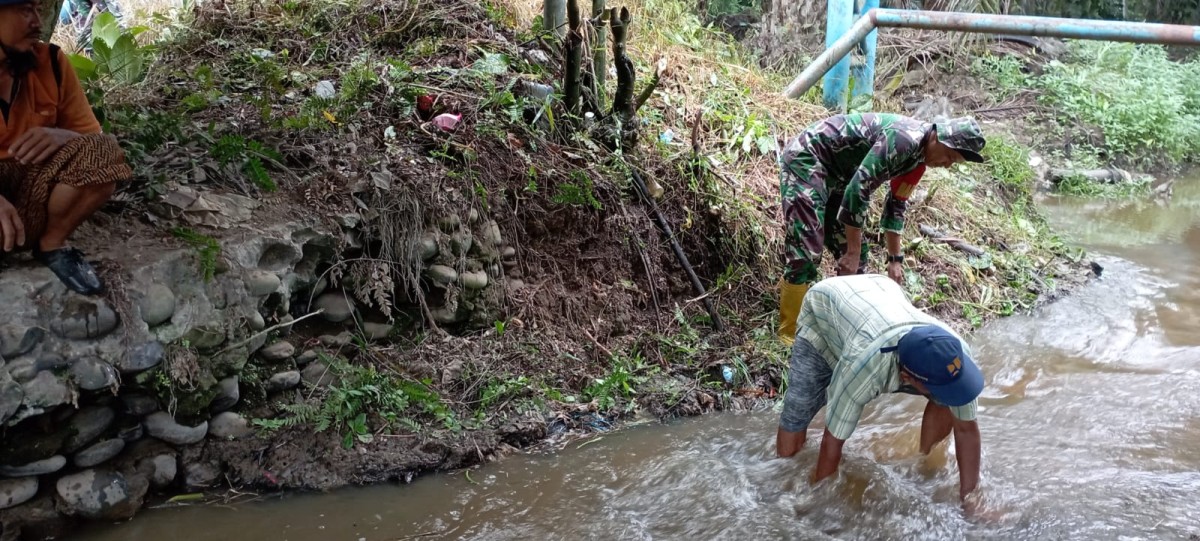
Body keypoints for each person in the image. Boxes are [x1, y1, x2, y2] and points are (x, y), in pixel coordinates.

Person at [777, 112, 987, 344]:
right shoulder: (904, 139)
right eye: (948, 156)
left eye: (953, 163)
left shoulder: (918, 163)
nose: (946, 165)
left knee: (859, 263)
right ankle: (788, 336)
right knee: (807, 250)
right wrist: (852, 252)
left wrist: (895, 260)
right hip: (809, 158)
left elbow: (896, 204)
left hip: (839, 178)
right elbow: (859, 188)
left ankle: (841, 327)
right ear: (936, 138)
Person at [776, 274, 984, 506]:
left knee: (947, 395)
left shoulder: (956, 356)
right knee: (798, 409)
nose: (955, 390)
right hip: (825, 308)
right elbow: (832, 441)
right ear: (906, 378)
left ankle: (924, 463)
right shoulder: (866, 367)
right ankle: (782, 475)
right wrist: (821, 504)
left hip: (880, 289)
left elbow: (967, 430)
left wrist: (970, 501)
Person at [0, 0, 131, 295]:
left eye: (37, 10)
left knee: (104, 152)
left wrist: (66, 137)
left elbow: (98, 142)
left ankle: (52, 244)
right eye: (24, 10)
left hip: (35, 188)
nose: (37, 21)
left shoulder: (53, 63)